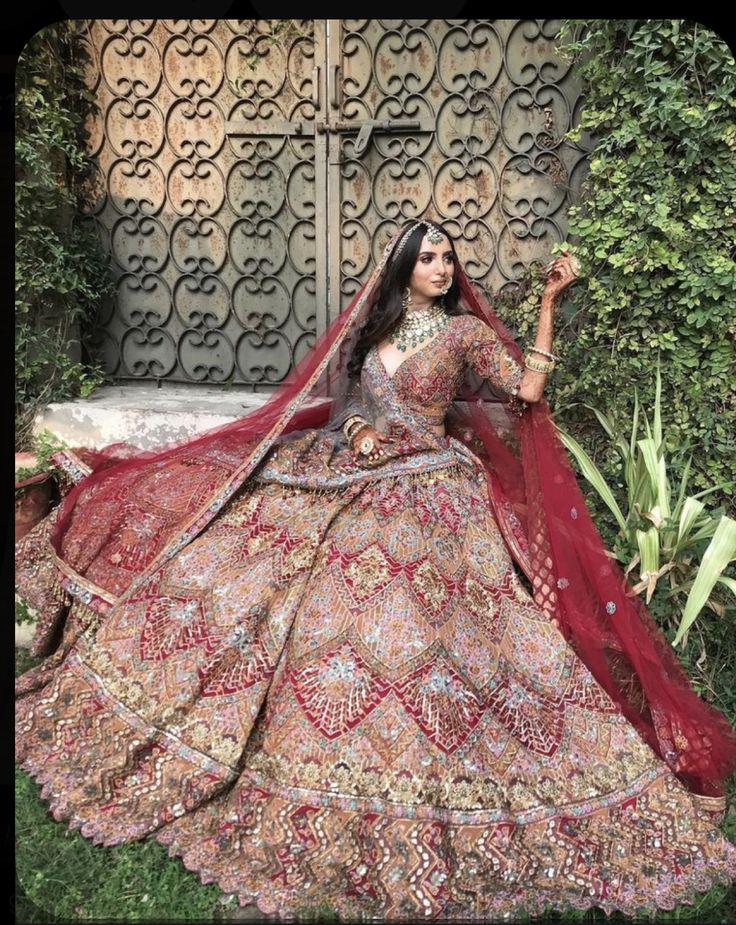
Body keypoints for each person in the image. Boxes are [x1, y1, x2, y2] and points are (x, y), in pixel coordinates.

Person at [15, 218, 736, 921]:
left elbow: (525, 393)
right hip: (360, 472)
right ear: (402, 269)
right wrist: (359, 430)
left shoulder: (463, 334)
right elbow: (360, 402)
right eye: (428, 258)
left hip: (431, 485)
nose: (442, 267)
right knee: (255, 552)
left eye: (448, 257)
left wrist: (547, 307)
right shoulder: (379, 332)